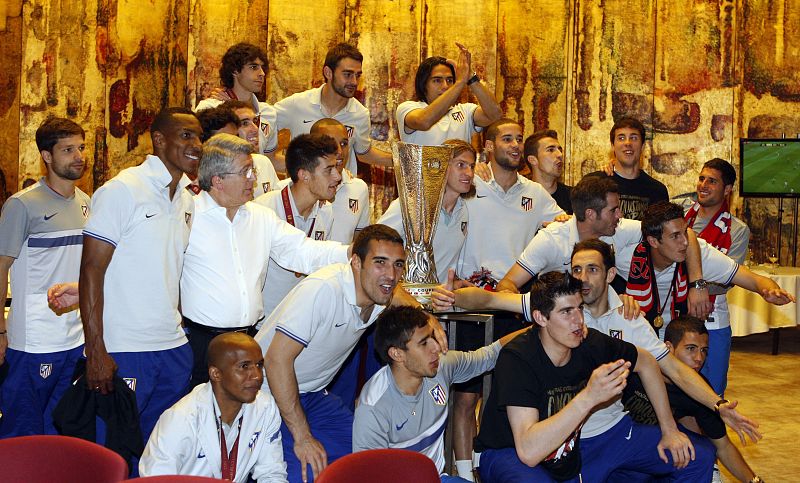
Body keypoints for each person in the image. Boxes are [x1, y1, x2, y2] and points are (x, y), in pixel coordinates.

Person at [454, 238, 763, 451]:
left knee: (694, 453)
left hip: (611, 427)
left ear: (611, 274)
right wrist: (447, 297)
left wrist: (718, 404)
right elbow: (487, 299)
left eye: (592, 269)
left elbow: (675, 370)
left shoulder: (628, 318)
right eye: (576, 269)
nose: (583, 277)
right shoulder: (558, 306)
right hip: (557, 433)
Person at [471, 271, 714, 482]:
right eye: (566, 312)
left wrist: (669, 429)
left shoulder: (588, 340)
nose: (578, 320)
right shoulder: (517, 358)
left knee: (698, 454)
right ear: (540, 318)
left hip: (566, 450)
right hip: (507, 452)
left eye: (579, 308)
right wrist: (589, 397)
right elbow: (528, 451)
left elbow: (647, 361)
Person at [255, 224, 447, 483]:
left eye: (398, 265)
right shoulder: (323, 290)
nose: (391, 274)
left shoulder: (380, 294)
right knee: (308, 472)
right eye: (380, 262)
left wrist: (424, 316)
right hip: (268, 394)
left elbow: (396, 292)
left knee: (369, 464)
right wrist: (303, 437)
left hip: (313, 395)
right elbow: (276, 361)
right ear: (356, 262)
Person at [180, 134, 349, 387]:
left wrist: (352, 254)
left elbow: (303, 251)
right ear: (218, 180)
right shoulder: (188, 215)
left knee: (247, 418)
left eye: (253, 171)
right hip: (201, 342)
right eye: (245, 172)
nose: (254, 179)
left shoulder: (261, 217)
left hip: (251, 338)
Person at [79, 107, 202, 448]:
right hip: (126, 349)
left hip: (174, 347)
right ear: (159, 140)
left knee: (159, 451)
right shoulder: (123, 190)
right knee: (113, 452)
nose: (197, 144)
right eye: (186, 135)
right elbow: (91, 269)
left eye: (200, 137)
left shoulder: (186, 199)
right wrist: (96, 350)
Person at [451, 117, 565, 479]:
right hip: (470, 303)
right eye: (507, 139)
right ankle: (466, 472)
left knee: (507, 392)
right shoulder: (472, 186)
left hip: (512, 305)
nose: (515, 145)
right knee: (466, 395)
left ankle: (494, 462)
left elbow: (565, 225)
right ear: (489, 146)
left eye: (519, 139)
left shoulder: (534, 192)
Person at [496, 175, 712, 320]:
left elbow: (686, 234)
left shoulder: (619, 228)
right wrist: (536, 309)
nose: (620, 215)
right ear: (591, 214)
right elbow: (506, 284)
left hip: (601, 324)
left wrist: (697, 284)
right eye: (614, 210)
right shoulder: (551, 239)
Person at [353, 305, 523, 482]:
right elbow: (368, 475)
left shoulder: (441, 367)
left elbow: (489, 355)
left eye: (433, 338)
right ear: (397, 354)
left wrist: (538, 328)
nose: (436, 348)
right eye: (424, 343)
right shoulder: (373, 408)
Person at [0, 117, 90, 436]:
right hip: (33, 339)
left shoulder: (85, 203)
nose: (79, 156)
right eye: (68, 150)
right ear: (47, 156)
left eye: (81, 147)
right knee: (22, 430)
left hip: (74, 336)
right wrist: (0, 331)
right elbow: (1, 269)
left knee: (61, 427)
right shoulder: (22, 205)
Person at [621, 201, 793, 340]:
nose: (685, 242)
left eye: (685, 233)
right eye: (675, 236)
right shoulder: (625, 256)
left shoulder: (699, 253)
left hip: (675, 340)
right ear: (653, 241)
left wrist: (769, 290)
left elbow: (753, 279)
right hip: (636, 336)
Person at [622, 316, 764, 483]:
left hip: (655, 451)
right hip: (618, 442)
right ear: (668, 348)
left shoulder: (701, 391)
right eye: (691, 348)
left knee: (702, 451)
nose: (699, 358)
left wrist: (754, 481)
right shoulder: (637, 366)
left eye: (704, 350)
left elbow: (723, 446)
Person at [140, 332, 287, 482]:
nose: (257, 376)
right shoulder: (180, 419)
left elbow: (272, 473)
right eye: (244, 366)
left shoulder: (265, 407)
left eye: (259, 365)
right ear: (215, 374)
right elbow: (154, 479)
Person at [254, 133, 341, 323]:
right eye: (329, 170)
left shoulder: (326, 211)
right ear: (304, 175)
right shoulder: (264, 209)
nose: (338, 176)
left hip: (299, 319)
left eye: (337, 168)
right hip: (262, 322)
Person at [684, 158, 750, 395]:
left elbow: (727, 280)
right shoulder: (682, 217)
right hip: (676, 318)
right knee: (676, 391)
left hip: (713, 322)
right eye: (702, 178)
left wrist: (694, 285)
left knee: (712, 394)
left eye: (712, 181)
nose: (703, 185)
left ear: (727, 189)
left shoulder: (737, 230)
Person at [274, 43, 391, 174]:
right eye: (347, 74)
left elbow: (363, 153)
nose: (354, 82)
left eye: (357, 75)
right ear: (328, 73)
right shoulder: (297, 104)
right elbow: (262, 124)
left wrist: (404, 161)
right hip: (304, 192)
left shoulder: (360, 114)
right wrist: (291, 166)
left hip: (342, 191)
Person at [379, 139, 476, 283]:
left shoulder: (463, 211)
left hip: (439, 302)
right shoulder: (411, 204)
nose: (469, 173)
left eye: (472, 166)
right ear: (441, 166)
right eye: (460, 165)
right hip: (405, 300)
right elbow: (375, 244)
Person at [396, 44, 501, 146]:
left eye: (450, 80)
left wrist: (470, 78)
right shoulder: (408, 108)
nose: (445, 86)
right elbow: (423, 121)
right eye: (437, 80)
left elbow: (495, 115)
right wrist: (460, 82)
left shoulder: (466, 111)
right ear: (423, 84)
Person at [196, 43, 278, 158]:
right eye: (254, 67)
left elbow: (269, 160)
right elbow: (201, 154)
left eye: (262, 68)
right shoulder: (210, 108)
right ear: (235, 71)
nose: (262, 74)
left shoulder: (269, 112)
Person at [587, 117, 669, 220]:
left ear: (643, 146)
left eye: (634, 138)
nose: (627, 143)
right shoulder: (593, 183)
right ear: (612, 145)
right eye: (621, 138)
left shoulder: (657, 190)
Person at [309, 118, 370, 244]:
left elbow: (359, 242)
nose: (339, 151)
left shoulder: (359, 188)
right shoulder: (295, 188)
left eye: (344, 144)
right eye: (330, 145)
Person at [223, 100, 280, 196]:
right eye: (245, 123)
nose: (255, 129)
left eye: (255, 122)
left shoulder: (263, 162)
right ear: (228, 130)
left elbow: (277, 201)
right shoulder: (219, 169)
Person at [524, 129, 572, 214]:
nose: (560, 155)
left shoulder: (574, 197)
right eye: (550, 150)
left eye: (560, 150)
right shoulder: (520, 197)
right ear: (533, 160)